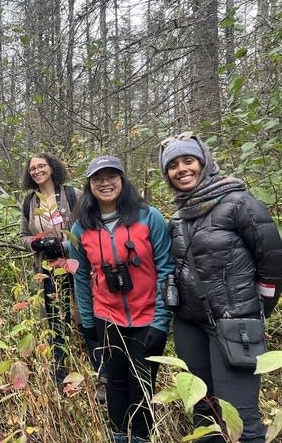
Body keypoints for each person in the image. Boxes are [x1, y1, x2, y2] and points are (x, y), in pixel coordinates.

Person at [159, 132, 282, 442]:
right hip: (190, 324)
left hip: (235, 323)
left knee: (240, 420)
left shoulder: (239, 202)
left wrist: (256, 309)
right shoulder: (179, 217)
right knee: (205, 413)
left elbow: (273, 260)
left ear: (204, 163)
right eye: (173, 165)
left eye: (188, 160)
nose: (181, 169)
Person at [69, 155, 174, 443]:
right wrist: (88, 326)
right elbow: (80, 276)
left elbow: (166, 269)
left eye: (111, 176)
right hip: (107, 319)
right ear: (89, 185)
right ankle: (117, 436)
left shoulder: (148, 217)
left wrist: (161, 322)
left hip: (148, 317)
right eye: (98, 178)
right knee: (114, 383)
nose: (105, 183)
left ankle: (140, 437)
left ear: (122, 180)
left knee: (142, 384)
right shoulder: (80, 228)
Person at [20, 153, 91, 390]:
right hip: (46, 269)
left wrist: (66, 245)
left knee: (83, 314)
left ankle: (94, 369)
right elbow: (23, 236)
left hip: (76, 266)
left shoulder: (72, 195)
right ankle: (60, 372)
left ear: (52, 168)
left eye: (42, 166)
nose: (37, 171)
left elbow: (89, 230)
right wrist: (35, 243)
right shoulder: (30, 203)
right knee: (55, 319)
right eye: (33, 169)